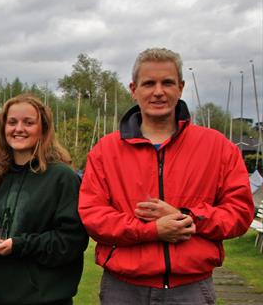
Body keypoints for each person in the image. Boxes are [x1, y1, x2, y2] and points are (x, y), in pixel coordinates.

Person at [79, 48, 255, 304]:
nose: (158, 91)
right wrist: (151, 230)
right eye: (149, 83)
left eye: (167, 83)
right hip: (123, 289)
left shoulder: (217, 147)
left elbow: (239, 213)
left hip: (191, 289)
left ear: (181, 87)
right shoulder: (105, 151)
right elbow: (93, 216)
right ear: (133, 89)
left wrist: (186, 217)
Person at [0, 94, 88, 305]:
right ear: (3, 128)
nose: (19, 128)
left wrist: (19, 245)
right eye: (12, 122)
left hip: (44, 299)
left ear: (43, 128)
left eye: (28, 122)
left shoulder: (62, 178)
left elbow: (71, 242)